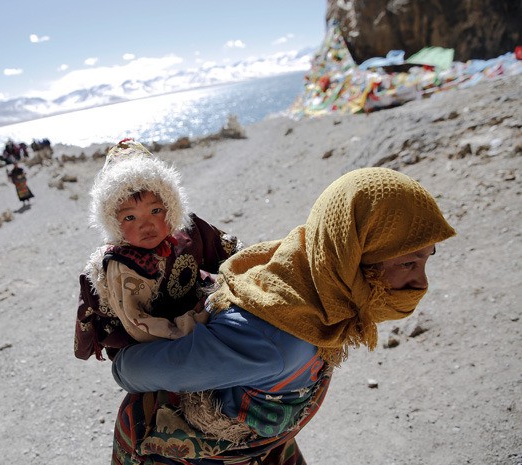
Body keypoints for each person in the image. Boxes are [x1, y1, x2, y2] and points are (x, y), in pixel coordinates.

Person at [109, 167, 456, 465]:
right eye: (408, 264)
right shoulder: (277, 335)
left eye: (427, 259)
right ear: (351, 253)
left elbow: (132, 370)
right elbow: (132, 371)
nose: (421, 283)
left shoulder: (303, 262)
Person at [74, 138, 242, 361]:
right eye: (130, 217)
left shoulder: (188, 230)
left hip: (198, 319)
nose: (146, 225)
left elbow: (231, 250)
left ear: (171, 206)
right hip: (147, 345)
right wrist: (200, 323)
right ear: (113, 223)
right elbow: (139, 326)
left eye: (155, 211)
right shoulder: (120, 265)